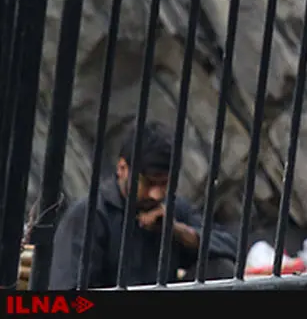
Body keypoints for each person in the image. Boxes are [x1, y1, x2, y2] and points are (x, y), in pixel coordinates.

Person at [48, 120, 238, 289]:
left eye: (165, 184)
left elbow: (231, 246)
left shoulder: (171, 210)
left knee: (220, 268)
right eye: (148, 183)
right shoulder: (89, 215)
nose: (156, 194)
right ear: (122, 169)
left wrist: (177, 231)